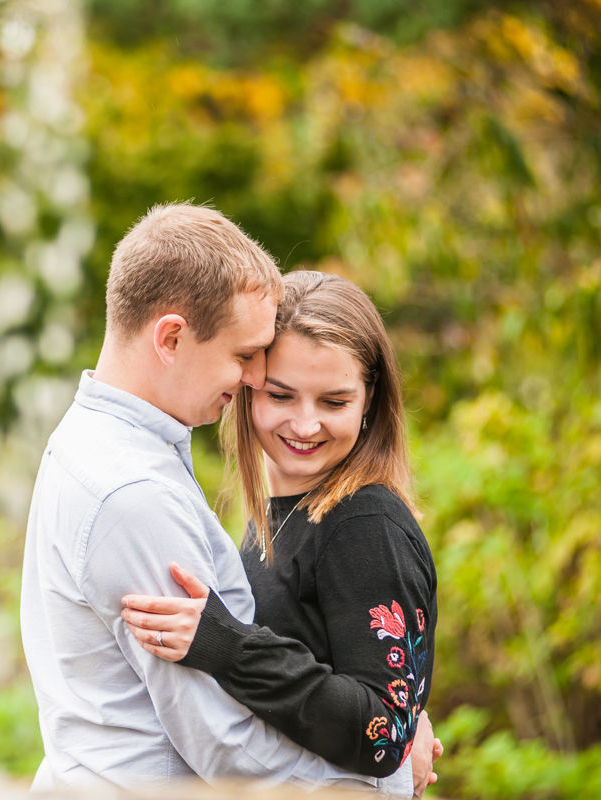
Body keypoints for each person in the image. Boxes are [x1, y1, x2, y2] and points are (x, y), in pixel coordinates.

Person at [20, 205, 431, 796]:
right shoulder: (136, 493)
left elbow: (365, 704)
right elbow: (223, 742)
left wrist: (393, 736)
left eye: (334, 400)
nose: (252, 378)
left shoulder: (88, 446)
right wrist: (391, 776)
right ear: (171, 338)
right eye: (245, 357)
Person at [120, 270, 440, 791]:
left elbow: (384, 735)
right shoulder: (284, 509)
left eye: (334, 402)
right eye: (281, 395)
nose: (305, 424)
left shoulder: (364, 524)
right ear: (247, 388)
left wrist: (227, 646)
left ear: (369, 402)